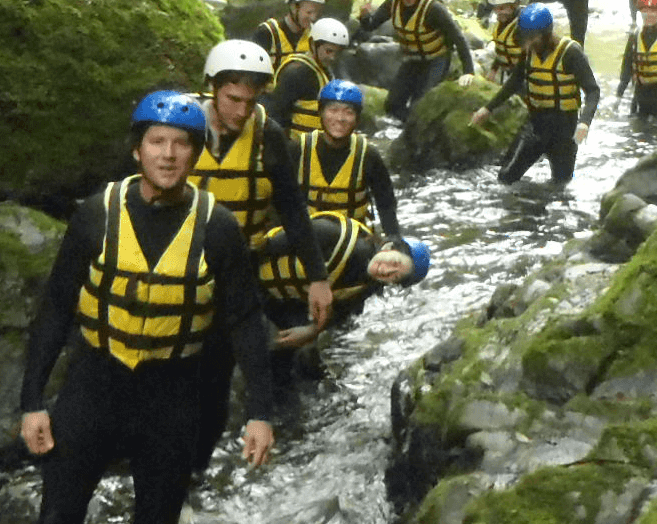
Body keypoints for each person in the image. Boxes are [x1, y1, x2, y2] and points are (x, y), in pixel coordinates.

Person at [19, 91, 274, 524]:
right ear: (138, 149)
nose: (169, 155)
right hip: (93, 385)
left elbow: (245, 322)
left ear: (195, 153)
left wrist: (260, 414)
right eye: (157, 142)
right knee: (57, 515)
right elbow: (58, 306)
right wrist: (32, 402)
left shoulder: (218, 228)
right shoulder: (97, 214)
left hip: (171, 397)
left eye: (181, 144)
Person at [188, 39, 332, 475]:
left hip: (239, 267)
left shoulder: (267, 133)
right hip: (181, 266)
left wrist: (318, 277)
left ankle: (196, 466)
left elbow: (291, 207)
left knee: (216, 375)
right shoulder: (180, 126)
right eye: (233, 99)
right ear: (212, 88)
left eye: (251, 101)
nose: (241, 111)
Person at [470, 3, 599, 184]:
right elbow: (514, 82)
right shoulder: (529, 51)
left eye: (533, 38)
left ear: (546, 34)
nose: (528, 43)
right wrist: (487, 109)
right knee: (506, 178)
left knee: (560, 184)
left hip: (564, 128)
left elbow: (592, 90)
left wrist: (584, 122)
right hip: (537, 124)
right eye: (526, 38)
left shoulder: (571, 53)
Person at [257, 215, 430, 350]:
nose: (386, 271)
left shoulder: (370, 286)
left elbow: (340, 311)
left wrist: (311, 331)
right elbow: (263, 250)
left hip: (275, 300)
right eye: (394, 262)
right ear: (388, 247)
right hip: (250, 275)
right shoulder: (334, 235)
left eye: (395, 277)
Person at [356, 0, 475, 121]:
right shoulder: (393, 3)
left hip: (437, 59)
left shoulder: (433, 8)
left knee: (420, 106)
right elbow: (371, 25)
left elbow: (458, 38)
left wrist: (468, 71)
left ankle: (417, 129)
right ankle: (407, 129)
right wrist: (364, 16)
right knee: (392, 105)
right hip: (412, 59)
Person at [296, 80, 401, 238]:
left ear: (357, 119)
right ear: (321, 113)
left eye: (348, 112)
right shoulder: (298, 149)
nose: (340, 118)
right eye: (333, 110)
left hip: (353, 241)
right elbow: (281, 200)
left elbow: (386, 204)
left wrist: (393, 239)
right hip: (307, 237)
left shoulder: (368, 155)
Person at [265, 17, 350, 139]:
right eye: (328, 51)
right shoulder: (296, 72)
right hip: (298, 148)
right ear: (312, 44)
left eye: (337, 53)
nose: (333, 58)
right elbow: (277, 116)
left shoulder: (327, 69)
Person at [251, 0, 325, 72]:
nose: (313, 18)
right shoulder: (267, 32)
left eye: (316, 13)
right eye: (309, 12)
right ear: (293, 7)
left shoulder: (315, 34)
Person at [485, 0, 524, 83]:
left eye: (501, 8)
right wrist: (493, 70)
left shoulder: (523, 25)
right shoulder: (501, 24)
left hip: (525, 78)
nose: (497, 12)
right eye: (495, 8)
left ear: (515, 4)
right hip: (510, 75)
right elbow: (503, 50)